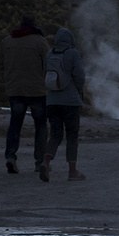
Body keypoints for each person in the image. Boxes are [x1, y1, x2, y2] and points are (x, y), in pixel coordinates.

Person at [0, 14, 49, 174]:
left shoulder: (7, 41)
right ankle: (39, 161)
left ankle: (11, 157)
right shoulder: (40, 42)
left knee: (15, 124)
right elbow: (49, 65)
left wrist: (8, 82)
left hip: (15, 90)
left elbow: (0, 66)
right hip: (37, 91)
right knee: (40, 126)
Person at [41, 27, 87, 181]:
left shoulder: (49, 54)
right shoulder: (73, 53)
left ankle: (46, 162)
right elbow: (79, 75)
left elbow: (45, 74)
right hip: (71, 102)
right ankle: (72, 171)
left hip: (52, 101)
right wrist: (79, 91)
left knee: (55, 134)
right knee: (72, 136)